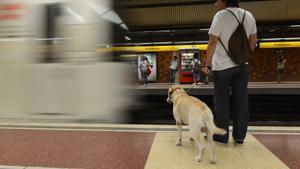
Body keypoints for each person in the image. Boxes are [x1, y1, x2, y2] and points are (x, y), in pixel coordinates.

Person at [202, 0, 257, 145]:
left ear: (224, 1)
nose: (216, 4)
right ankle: (239, 137)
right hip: (242, 67)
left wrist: (207, 64)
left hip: (222, 67)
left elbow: (212, 41)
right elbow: (253, 41)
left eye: (217, 1)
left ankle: (221, 136)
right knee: (241, 101)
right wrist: (243, 57)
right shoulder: (249, 15)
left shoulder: (220, 15)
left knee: (221, 102)